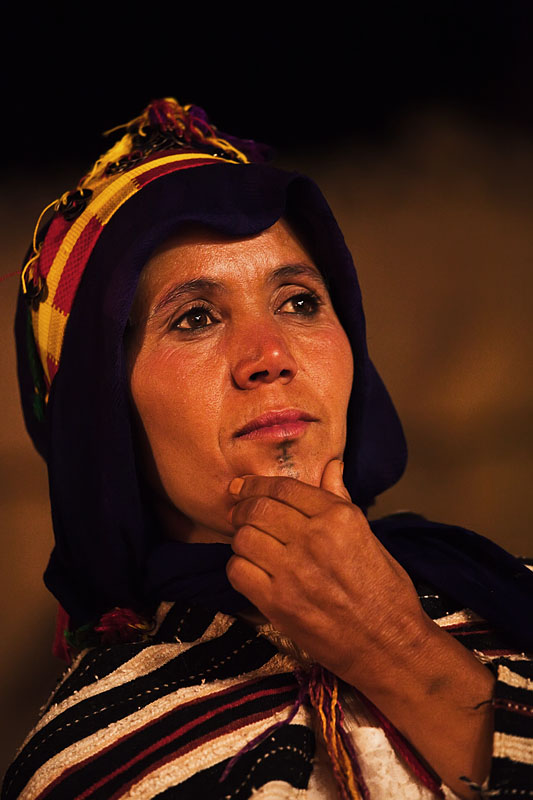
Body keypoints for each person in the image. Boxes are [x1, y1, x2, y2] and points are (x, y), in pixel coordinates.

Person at [3, 98, 533, 800]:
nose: (271, 355)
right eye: (195, 318)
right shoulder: (89, 769)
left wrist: (399, 648)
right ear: (104, 417)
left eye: (297, 301)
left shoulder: (506, 597)